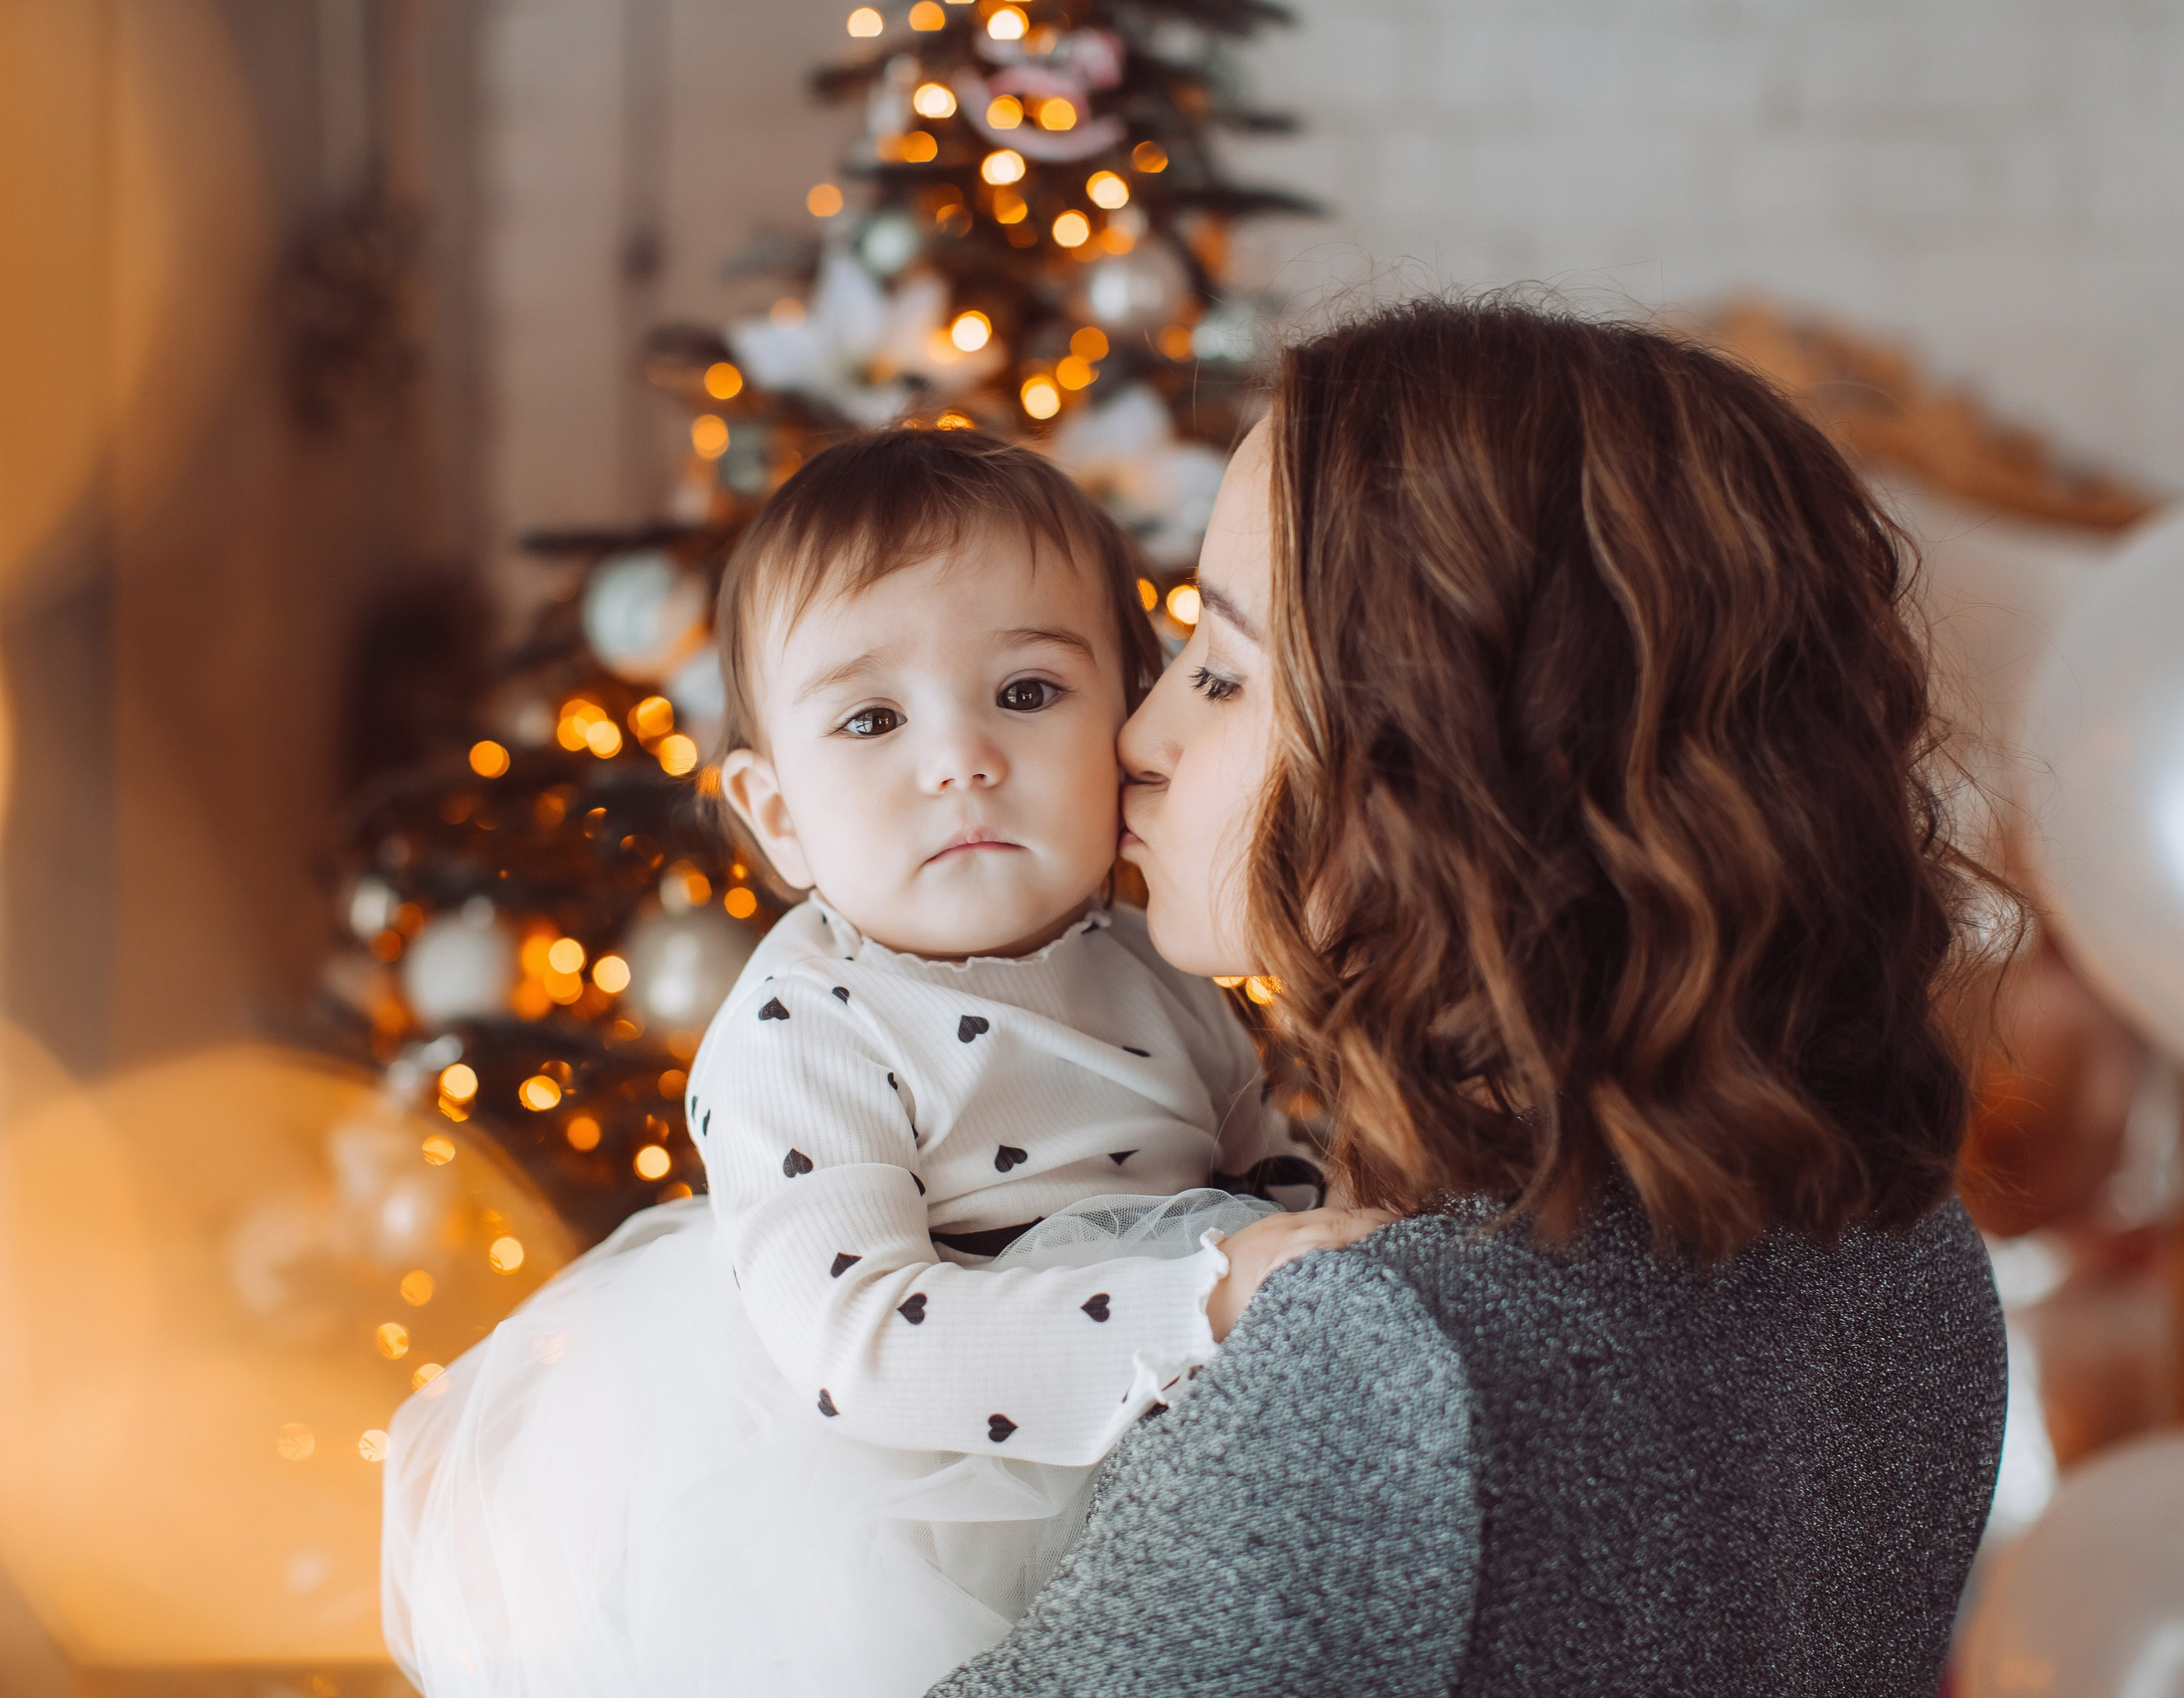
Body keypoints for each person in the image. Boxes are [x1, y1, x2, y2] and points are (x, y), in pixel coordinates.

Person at [933, 297, 2010, 1698]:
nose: (1140, 737)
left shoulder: (1383, 1358)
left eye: (1222, 668)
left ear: (1452, 766)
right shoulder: (1912, 1257)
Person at [380, 427, 1388, 1698]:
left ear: (1123, 724)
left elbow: (1256, 1169)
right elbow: (858, 1340)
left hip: (1171, 1447)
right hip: (903, 1493)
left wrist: (1330, 1235)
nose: (959, 756)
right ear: (780, 815)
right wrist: (1206, 1299)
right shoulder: (807, 1028)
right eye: (870, 718)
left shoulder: (1162, 956)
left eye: (1027, 693)